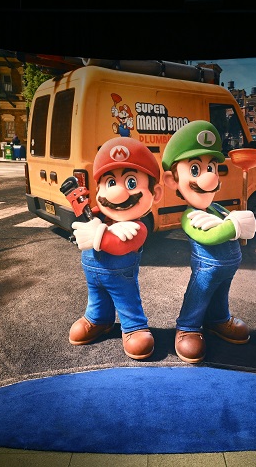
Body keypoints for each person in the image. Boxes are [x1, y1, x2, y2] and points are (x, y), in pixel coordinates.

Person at [161, 120, 256, 364]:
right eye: (195, 169)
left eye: (211, 167)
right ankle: (188, 326)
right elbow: (209, 236)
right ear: (172, 180)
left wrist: (236, 221)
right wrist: (234, 226)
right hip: (207, 269)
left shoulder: (217, 208)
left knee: (221, 294)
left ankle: (218, 319)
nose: (210, 177)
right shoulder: (189, 216)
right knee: (199, 295)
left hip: (228, 269)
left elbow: (233, 226)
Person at [69, 137, 163, 360]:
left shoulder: (137, 227)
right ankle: (98, 319)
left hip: (121, 279)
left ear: (155, 193)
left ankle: (134, 327)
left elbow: (120, 246)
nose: (116, 193)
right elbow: (84, 218)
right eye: (110, 183)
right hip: (93, 277)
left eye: (131, 182)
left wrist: (98, 235)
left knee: (126, 300)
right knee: (96, 297)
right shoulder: (97, 215)